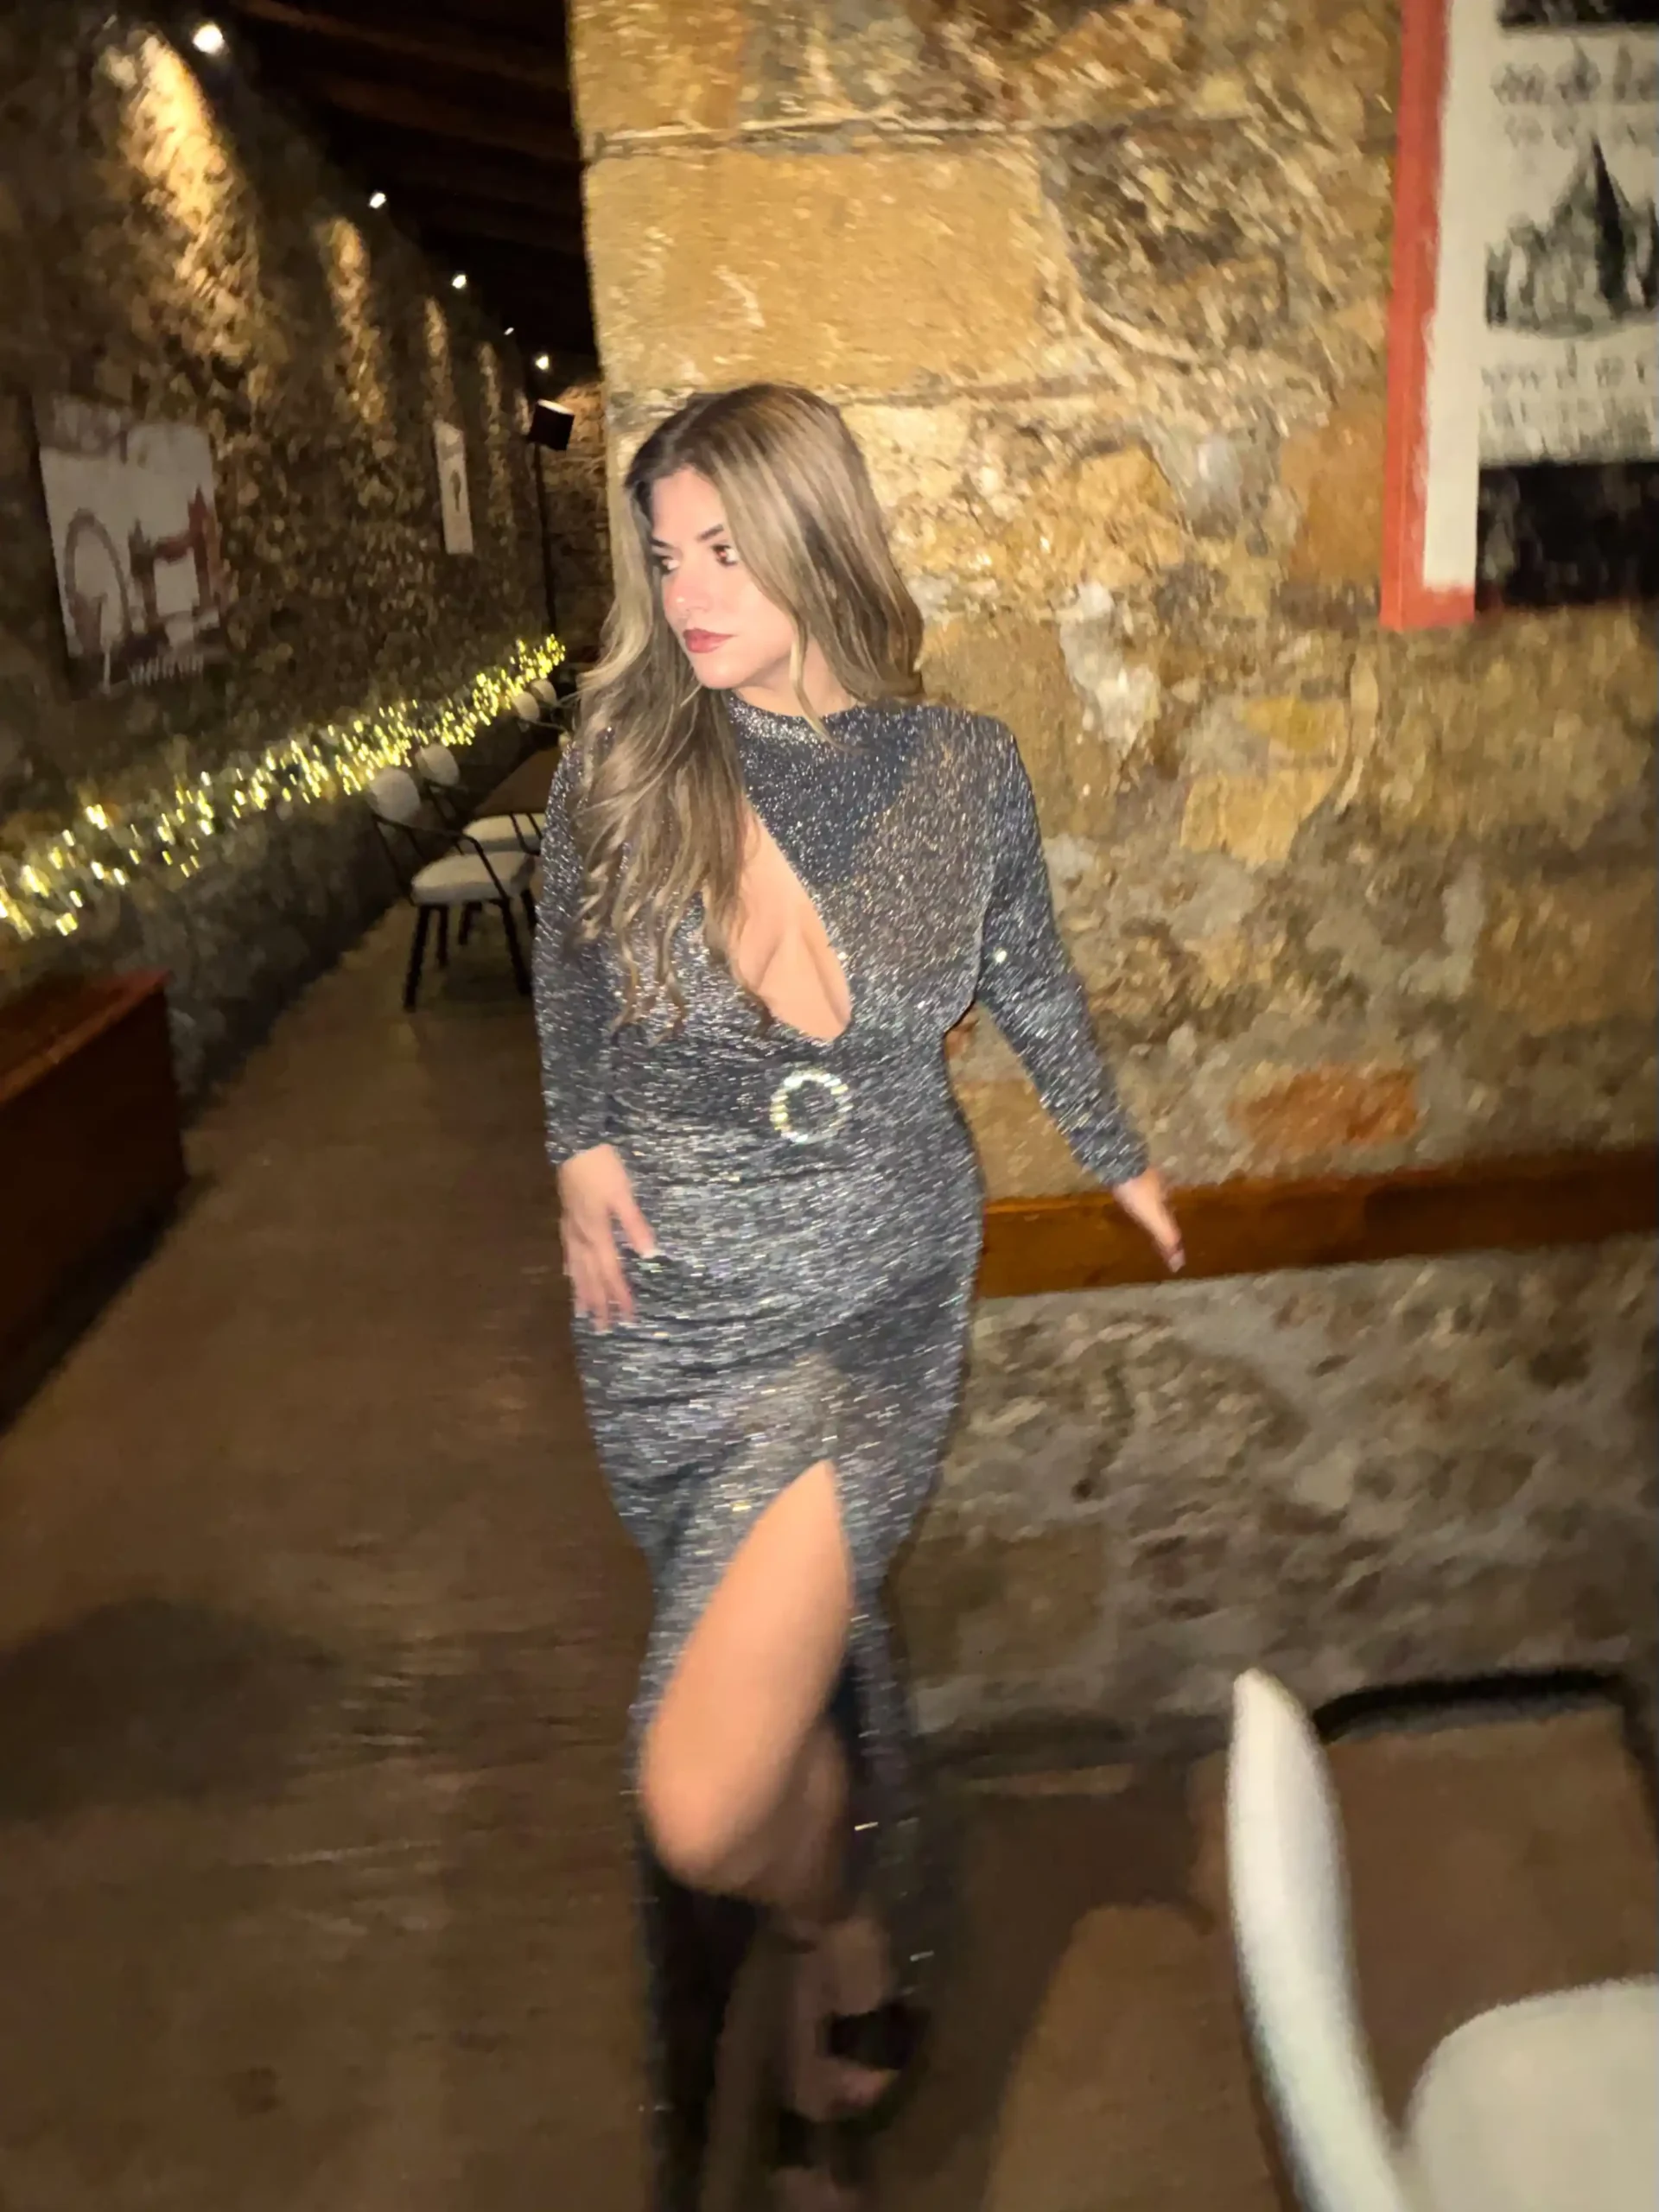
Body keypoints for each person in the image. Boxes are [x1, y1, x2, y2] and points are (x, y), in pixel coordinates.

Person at [532, 384, 1183, 2211]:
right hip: (671, 1316)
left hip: (874, 1307)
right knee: (787, 1664)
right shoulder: (625, 762)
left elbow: (1031, 978)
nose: (687, 592)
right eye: (666, 556)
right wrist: (576, 1144)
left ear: (819, 542)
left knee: (699, 1795)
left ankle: (828, 1913)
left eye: (726, 551)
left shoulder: (959, 769)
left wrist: (1117, 1155)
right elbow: (565, 970)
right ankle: (849, 1910)